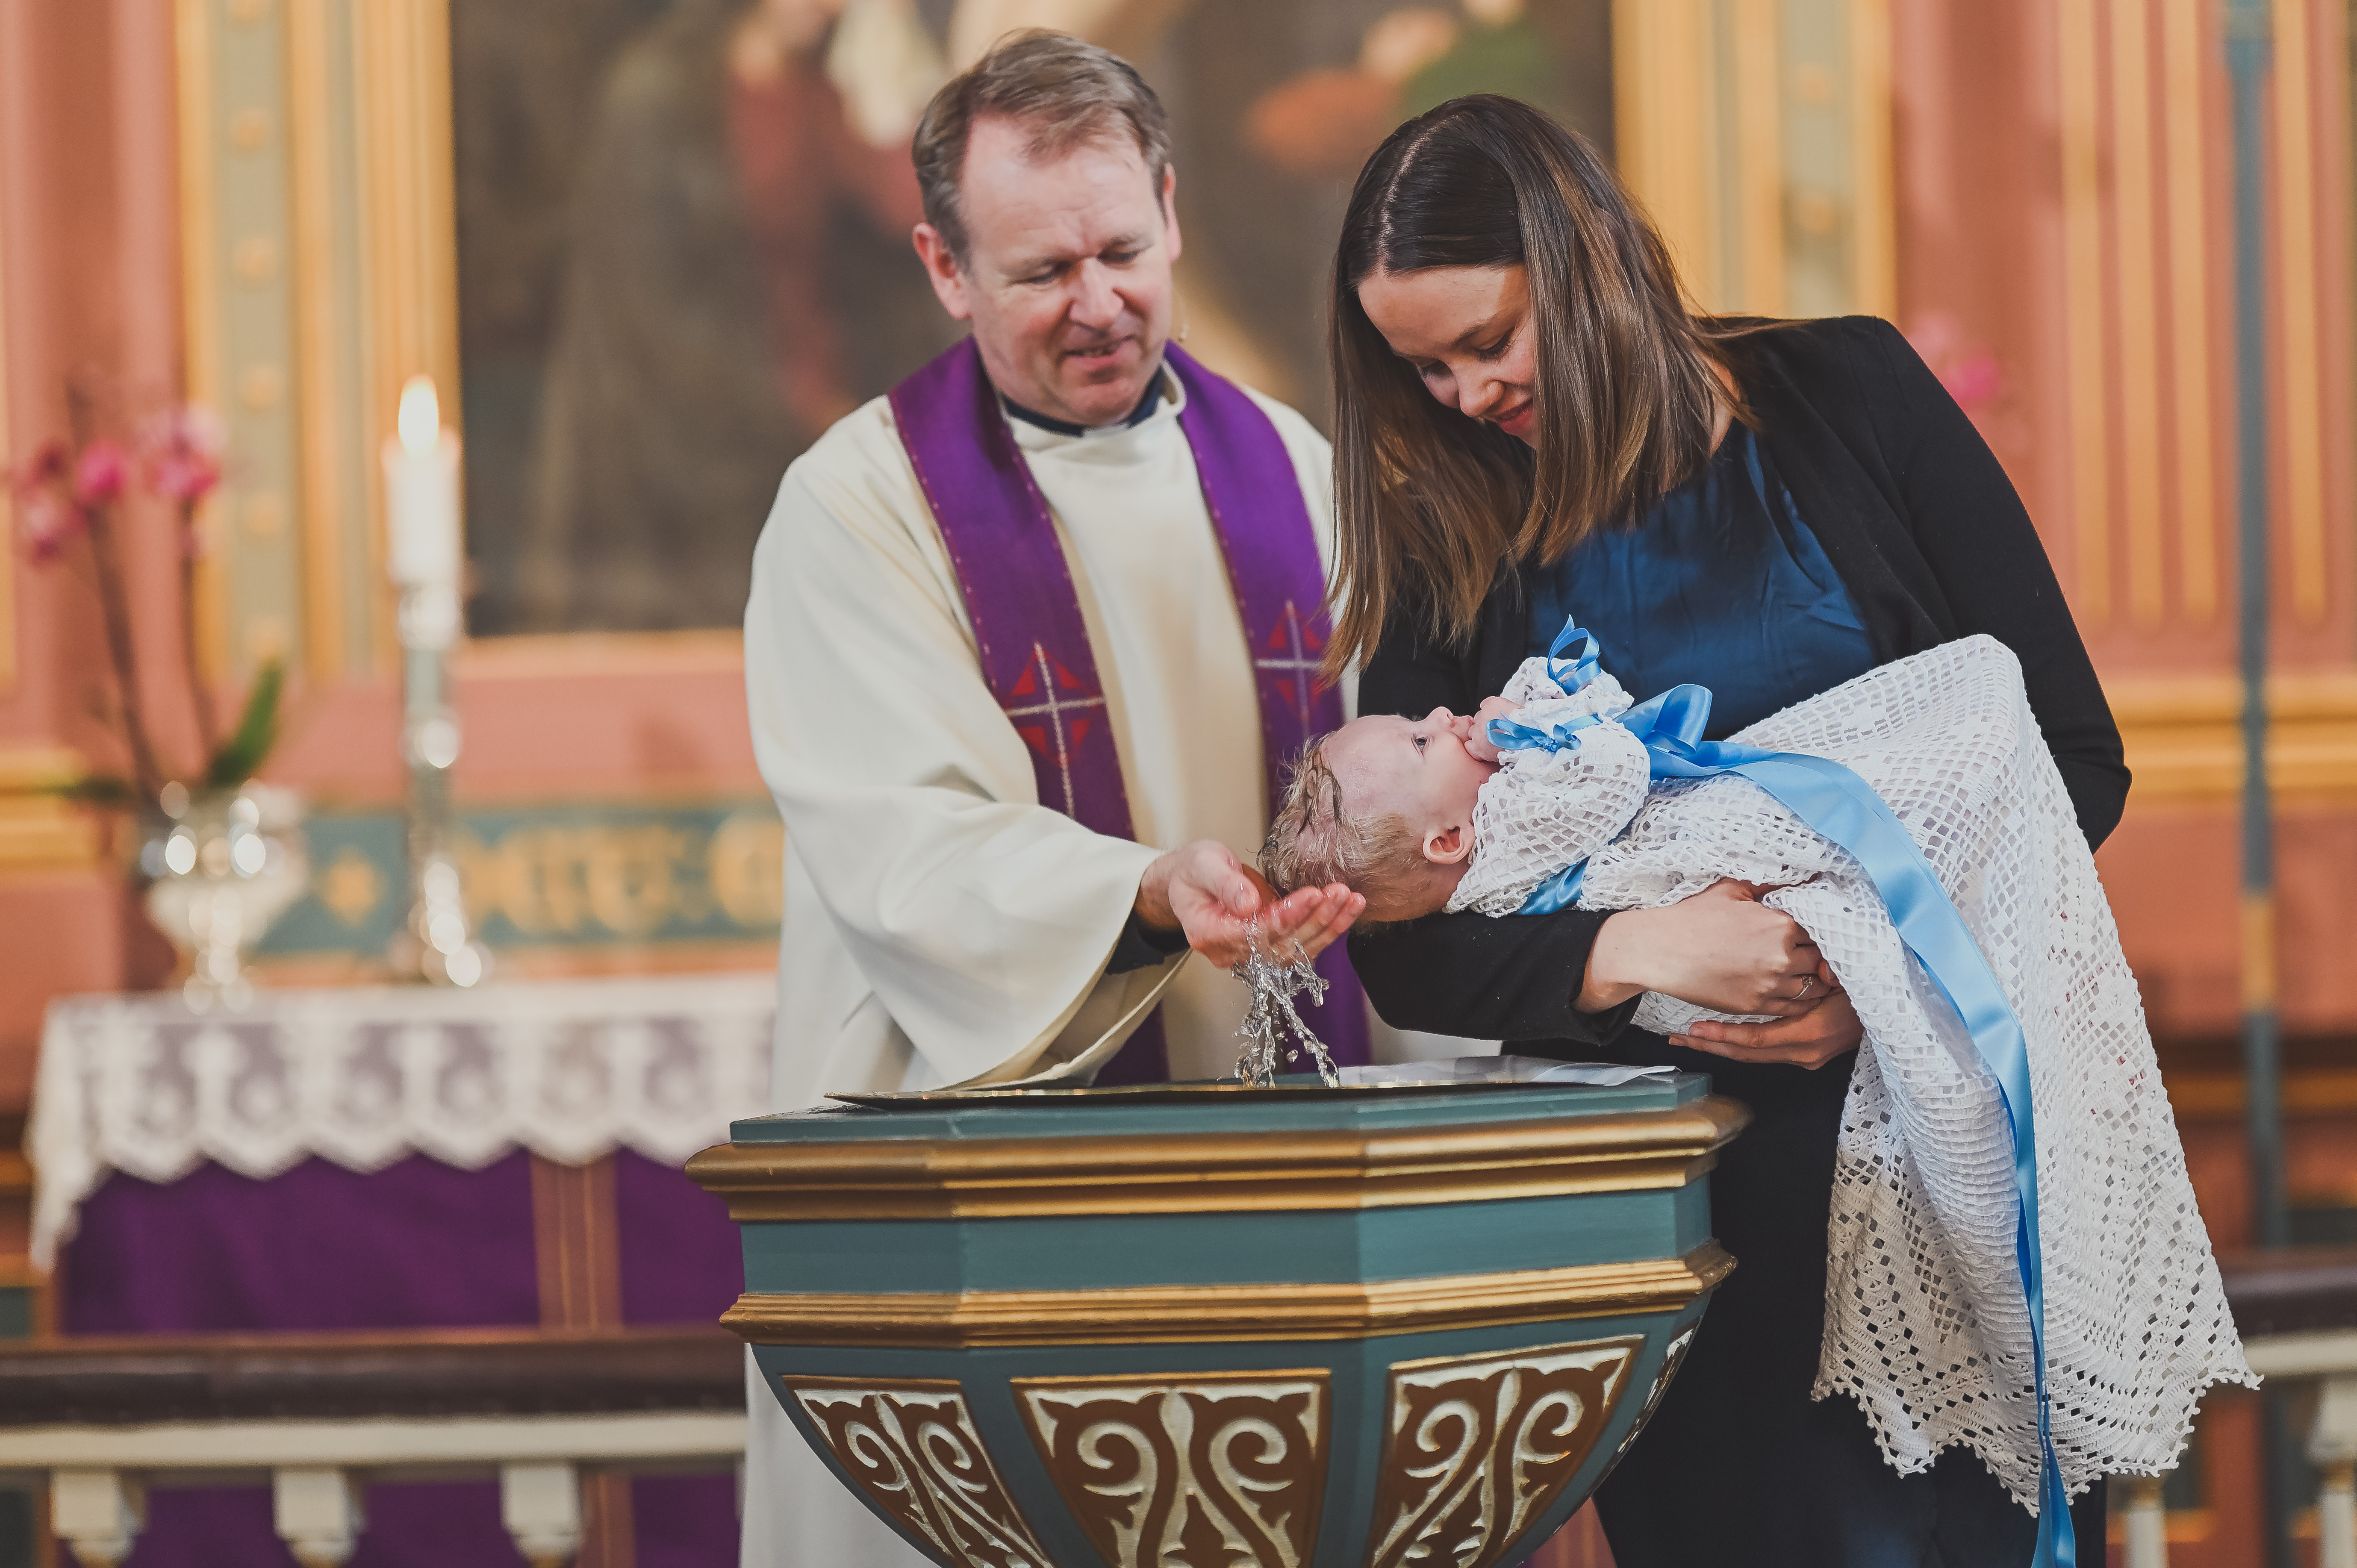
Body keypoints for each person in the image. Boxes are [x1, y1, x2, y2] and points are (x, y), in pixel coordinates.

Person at [1323, 94, 2136, 1565]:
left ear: (1584, 267)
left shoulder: (1850, 393)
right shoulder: (1446, 532)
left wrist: (1858, 965)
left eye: (1485, 343)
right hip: (1682, 1228)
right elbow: (1405, 952)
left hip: (1948, 1149)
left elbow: (2070, 760)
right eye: (1417, 365)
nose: (1453, 395)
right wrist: (1637, 944)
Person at [740, 31, 1366, 1567]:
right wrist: (1144, 894)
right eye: (1038, 272)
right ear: (944, 268)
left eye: (1121, 250)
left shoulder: (1289, 467)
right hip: (982, 1183)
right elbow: (906, 844)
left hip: (1268, 1178)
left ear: (1168, 206)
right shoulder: (857, 506)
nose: (1097, 303)